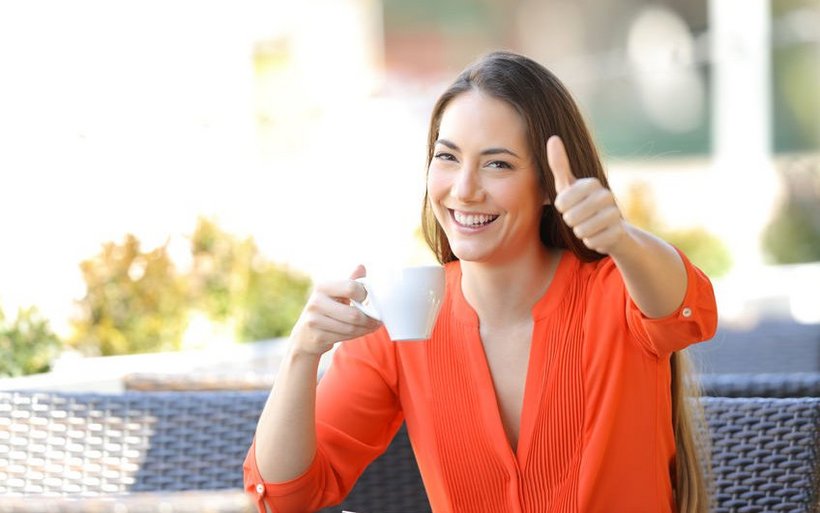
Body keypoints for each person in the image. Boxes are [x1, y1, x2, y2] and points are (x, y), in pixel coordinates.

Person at [243, 50, 717, 513]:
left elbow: (688, 313)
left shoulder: (616, 292)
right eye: (447, 157)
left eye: (497, 164)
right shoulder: (400, 322)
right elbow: (285, 496)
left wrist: (622, 239)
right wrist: (302, 352)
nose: (464, 189)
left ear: (548, 185)